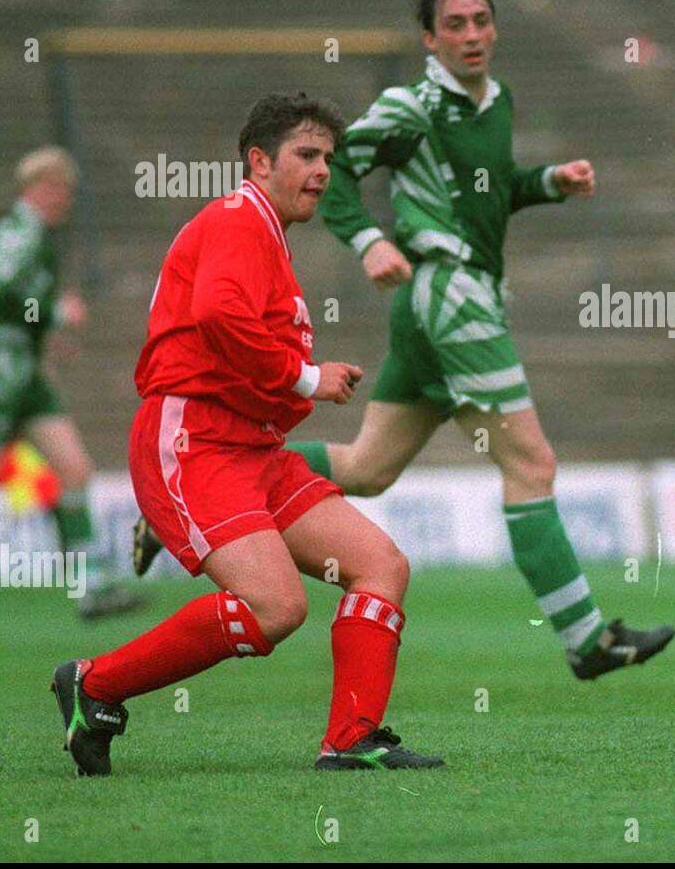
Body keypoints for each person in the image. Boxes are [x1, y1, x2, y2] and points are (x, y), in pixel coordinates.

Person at [138, 0, 674, 681]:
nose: (472, 34)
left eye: (481, 20)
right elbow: (339, 170)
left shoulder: (495, 102)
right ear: (429, 39)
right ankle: (586, 638)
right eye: (454, 24)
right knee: (532, 464)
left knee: (368, 468)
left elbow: (482, 198)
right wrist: (370, 240)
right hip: (450, 297)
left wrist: (548, 184)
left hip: (446, 303)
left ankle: (197, 492)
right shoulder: (411, 105)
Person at [52, 93, 443, 775]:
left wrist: (300, 381)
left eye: (329, 158)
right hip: (195, 440)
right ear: (258, 161)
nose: (323, 170)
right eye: (307, 154)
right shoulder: (240, 218)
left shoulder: (264, 234)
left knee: (381, 565)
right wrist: (303, 378)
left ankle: (351, 737)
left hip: (253, 451)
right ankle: (94, 684)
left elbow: (237, 331)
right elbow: (216, 315)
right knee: (275, 607)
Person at [0, 146, 145, 619]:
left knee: (73, 469)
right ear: (42, 187)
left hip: (27, 375)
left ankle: (90, 585)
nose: (67, 200)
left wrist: (46, 335)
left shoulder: (38, 235)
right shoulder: (20, 230)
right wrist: (55, 313)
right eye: (62, 190)